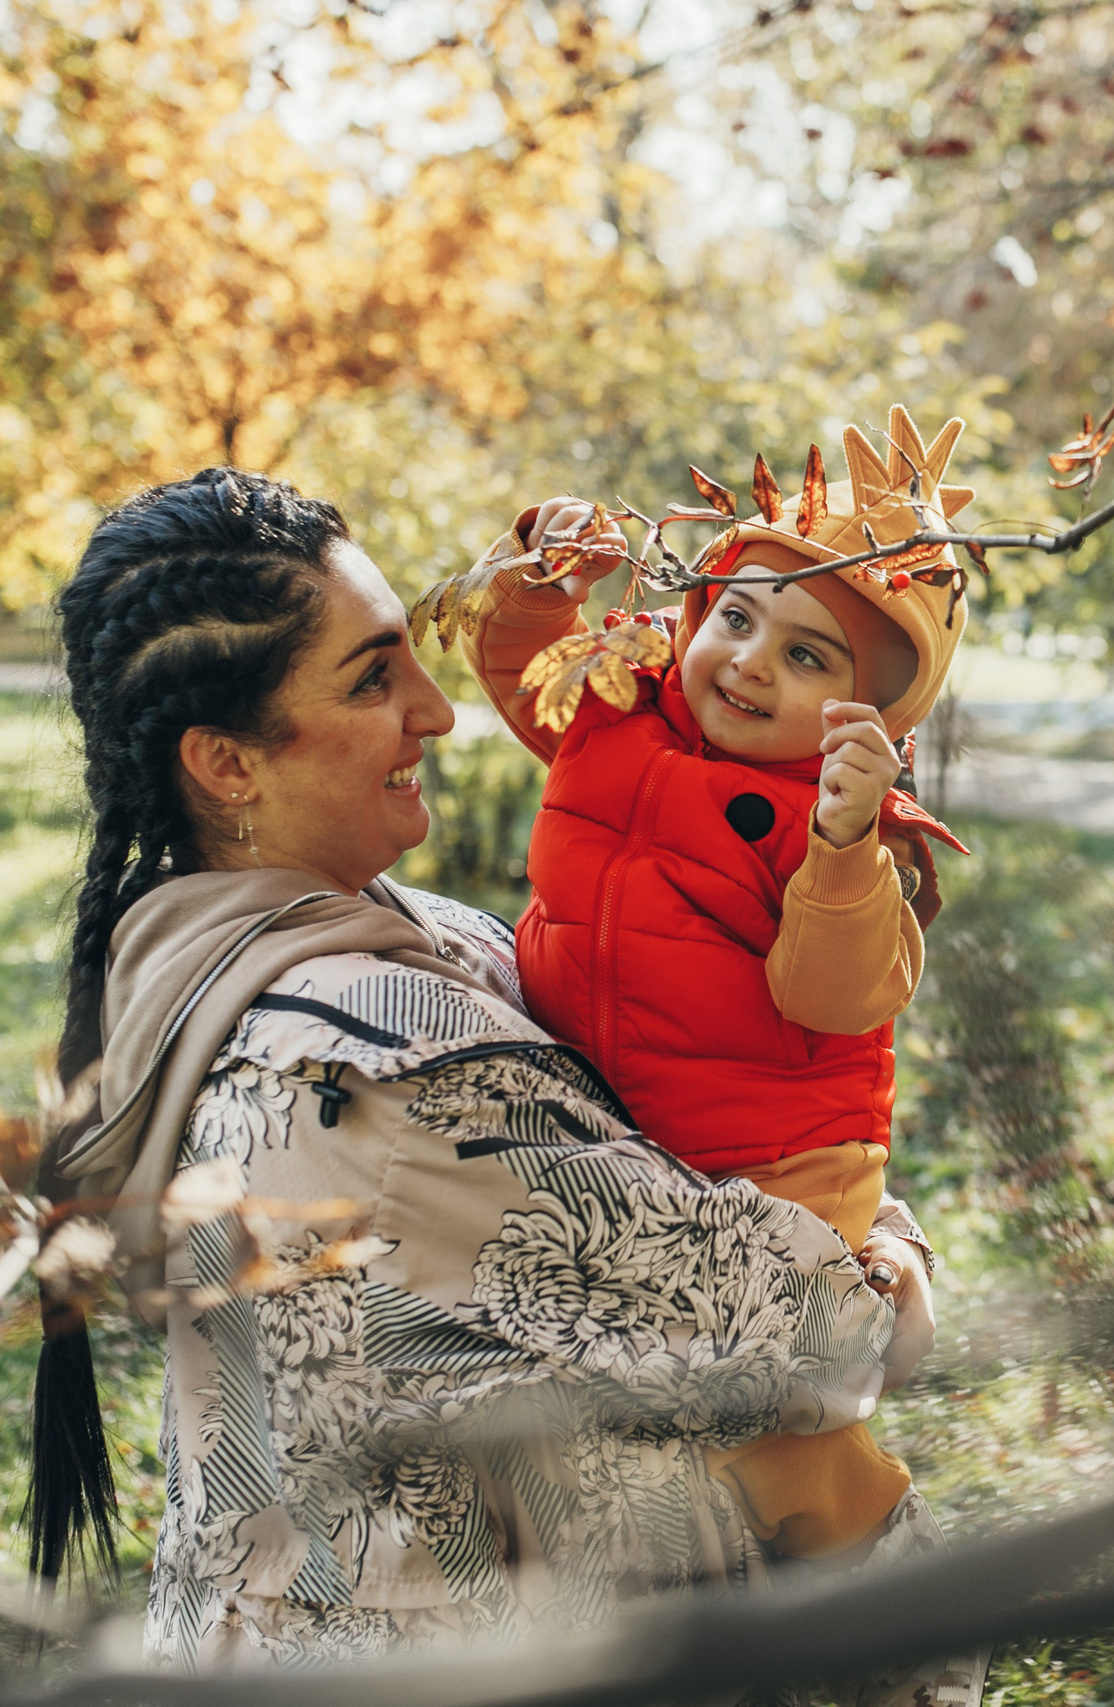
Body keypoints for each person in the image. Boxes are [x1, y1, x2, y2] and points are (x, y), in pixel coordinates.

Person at [23, 467, 950, 1674]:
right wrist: (892, 1249)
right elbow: (815, 1344)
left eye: (412, 652)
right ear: (227, 764)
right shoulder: (383, 1068)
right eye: (371, 677)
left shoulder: (232, 944)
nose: (439, 709)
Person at [429, 406, 971, 1568]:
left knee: (775, 1429)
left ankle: (885, 1593)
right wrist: (544, 575)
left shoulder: (842, 834)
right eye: (737, 617)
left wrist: (843, 843)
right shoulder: (619, 714)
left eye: (808, 656)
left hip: (773, 1172)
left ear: (868, 719)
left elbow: (835, 995)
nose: (750, 662)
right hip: (612, 1133)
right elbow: (530, 670)